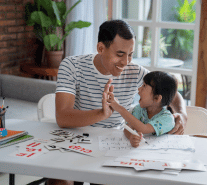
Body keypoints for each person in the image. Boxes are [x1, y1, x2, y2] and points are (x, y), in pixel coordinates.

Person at [50, 19, 187, 185]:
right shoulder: (72, 66)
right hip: (76, 138)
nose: (126, 62)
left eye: (130, 55)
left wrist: (181, 112)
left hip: (114, 142)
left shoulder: (135, 72)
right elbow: (63, 117)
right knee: (60, 180)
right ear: (100, 48)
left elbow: (170, 92)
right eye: (120, 54)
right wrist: (102, 114)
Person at [107, 71, 178, 147]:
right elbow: (128, 127)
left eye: (144, 86)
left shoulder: (167, 118)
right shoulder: (139, 109)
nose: (139, 89)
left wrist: (120, 108)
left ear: (157, 98)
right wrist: (131, 136)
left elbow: (144, 129)